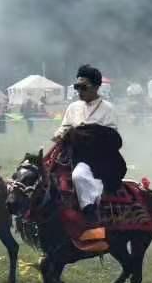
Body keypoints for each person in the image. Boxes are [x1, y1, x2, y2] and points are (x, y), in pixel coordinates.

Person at [53, 64, 125, 222]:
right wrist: (60, 135)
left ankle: (90, 210)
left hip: (102, 159)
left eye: (83, 87)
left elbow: (112, 139)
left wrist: (87, 132)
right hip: (76, 155)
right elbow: (64, 127)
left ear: (96, 87)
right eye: (77, 87)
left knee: (78, 176)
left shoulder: (108, 109)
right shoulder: (73, 107)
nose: (79, 91)